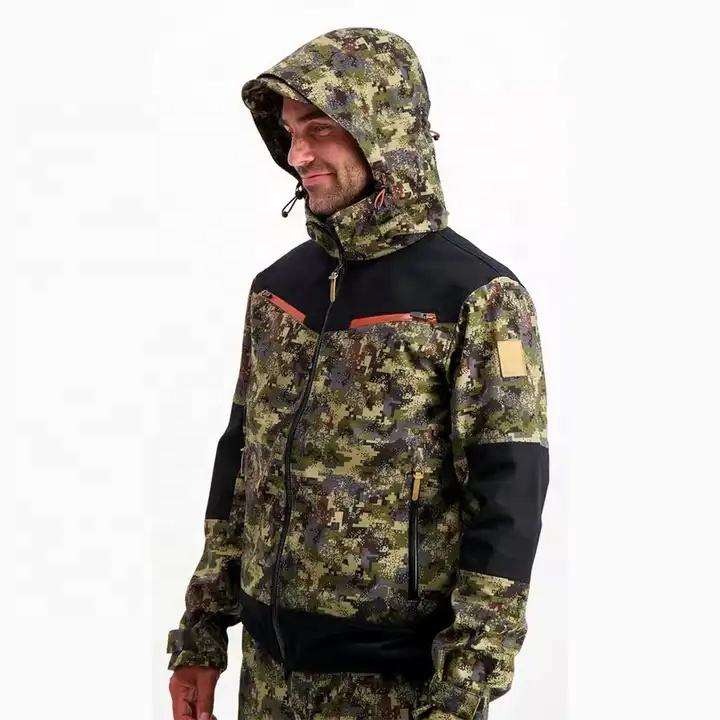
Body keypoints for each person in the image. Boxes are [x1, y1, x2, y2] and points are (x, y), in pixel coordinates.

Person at [167, 26, 549, 720]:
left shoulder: (479, 299)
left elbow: (508, 498)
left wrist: (463, 691)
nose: (298, 155)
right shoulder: (278, 291)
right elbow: (241, 461)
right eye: (290, 134)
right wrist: (202, 631)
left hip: (398, 689)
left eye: (319, 130)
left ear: (385, 130)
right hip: (269, 679)